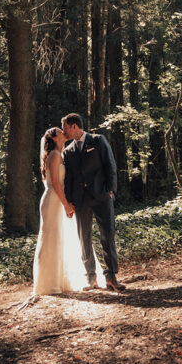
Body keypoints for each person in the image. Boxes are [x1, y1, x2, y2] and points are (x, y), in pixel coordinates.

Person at [61, 113, 125, 292]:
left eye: (65, 127)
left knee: (107, 235)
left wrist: (111, 190)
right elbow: (69, 179)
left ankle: (111, 276)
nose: (64, 132)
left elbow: (110, 165)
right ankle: (91, 278)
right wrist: (70, 201)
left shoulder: (98, 141)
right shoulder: (68, 151)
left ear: (74, 126)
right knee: (84, 239)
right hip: (80, 201)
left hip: (102, 196)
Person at [32, 127, 91, 295]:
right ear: (54, 137)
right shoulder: (54, 156)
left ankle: (60, 280)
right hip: (53, 200)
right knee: (51, 238)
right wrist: (66, 204)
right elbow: (56, 184)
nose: (63, 131)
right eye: (59, 131)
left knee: (60, 237)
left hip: (58, 199)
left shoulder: (59, 154)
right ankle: (48, 283)